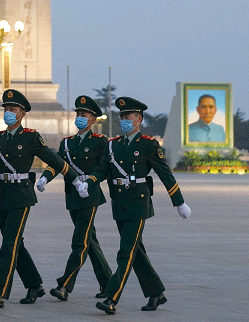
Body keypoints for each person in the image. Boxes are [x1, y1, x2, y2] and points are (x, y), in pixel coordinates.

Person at [77, 96, 192, 315]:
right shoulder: (113, 145)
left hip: (138, 204)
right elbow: (102, 169)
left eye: (127, 116)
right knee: (136, 251)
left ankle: (111, 298)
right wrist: (90, 182)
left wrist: (179, 202)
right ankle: (156, 292)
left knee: (125, 253)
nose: (124, 120)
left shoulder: (148, 145)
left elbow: (165, 174)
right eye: (121, 117)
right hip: (120, 204)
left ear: (138, 119)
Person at [0, 89, 78, 310]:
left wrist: (74, 177)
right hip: (3, 196)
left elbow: (52, 158)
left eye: (13, 109)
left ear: (22, 113)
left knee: (8, 244)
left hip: (22, 196)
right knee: (16, 243)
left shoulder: (30, 137)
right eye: (6, 109)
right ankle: (34, 285)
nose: (8, 113)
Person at [47, 95, 112, 302]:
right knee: (89, 240)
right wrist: (44, 179)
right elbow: (57, 164)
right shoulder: (67, 143)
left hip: (89, 195)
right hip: (72, 196)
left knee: (80, 242)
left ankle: (65, 285)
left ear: (93, 119)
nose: (79, 118)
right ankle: (108, 283)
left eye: (83, 115)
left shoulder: (100, 142)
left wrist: (91, 182)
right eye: (78, 114)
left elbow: (105, 166)